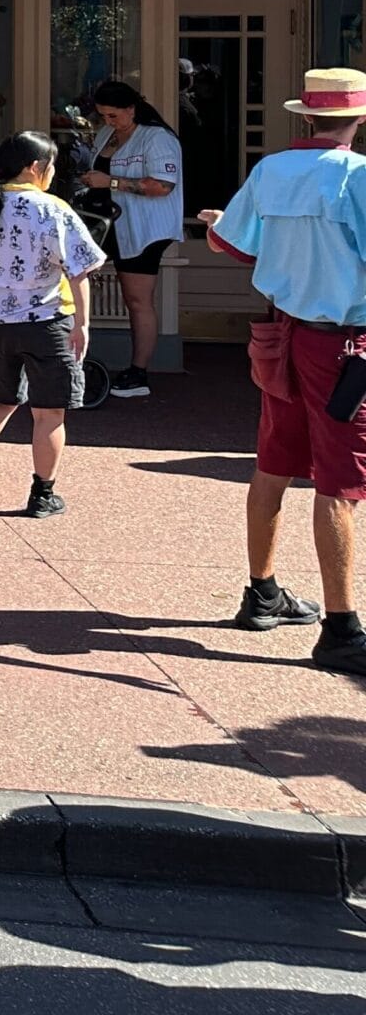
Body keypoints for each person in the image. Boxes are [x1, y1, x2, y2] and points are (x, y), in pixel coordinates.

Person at [199, 66, 366, 676]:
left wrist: (217, 226)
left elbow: (234, 243)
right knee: (340, 483)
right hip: (344, 343)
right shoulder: (358, 177)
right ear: (358, 119)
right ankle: (342, 627)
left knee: (273, 462)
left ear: (305, 117)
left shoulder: (271, 170)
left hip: (283, 331)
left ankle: (262, 591)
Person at [0, 132, 106, 517]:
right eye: (51, 166)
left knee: (0, 398)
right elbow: (79, 272)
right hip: (47, 321)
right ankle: (42, 492)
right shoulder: (53, 210)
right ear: (36, 167)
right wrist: (83, 324)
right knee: (50, 412)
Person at [82, 79, 184, 400]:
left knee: (137, 299)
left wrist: (110, 182)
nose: (108, 122)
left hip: (145, 227)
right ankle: (71, 358)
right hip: (107, 222)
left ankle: (138, 372)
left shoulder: (158, 139)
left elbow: (163, 186)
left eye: (114, 115)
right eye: (102, 116)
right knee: (75, 276)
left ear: (131, 109)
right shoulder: (105, 135)